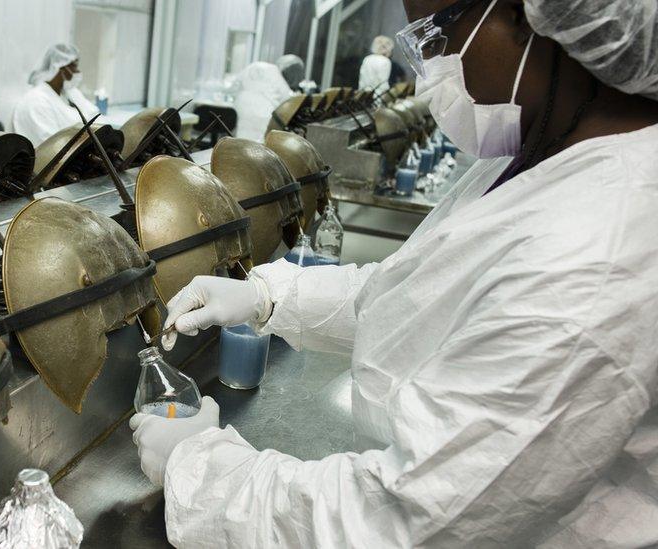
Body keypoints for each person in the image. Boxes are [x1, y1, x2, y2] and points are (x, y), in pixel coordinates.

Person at [130, 0, 658, 546]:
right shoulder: (543, 154)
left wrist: (200, 471)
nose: (433, 67)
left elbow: (404, 523)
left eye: (438, 32)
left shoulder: (598, 253)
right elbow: (422, 301)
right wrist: (268, 296)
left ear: (528, 18)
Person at [12, 43, 99, 146]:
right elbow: (50, 147)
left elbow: (93, 117)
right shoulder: (36, 101)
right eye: (74, 66)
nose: (77, 71)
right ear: (59, 67)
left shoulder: (70, 93)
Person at [233, 62, 294, 141]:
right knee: (259, 143)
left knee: (239, 140)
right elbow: (286, 96)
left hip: (242, 107)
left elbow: (234, 87)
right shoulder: (274, 70)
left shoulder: (251, 66)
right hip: (264, 110)